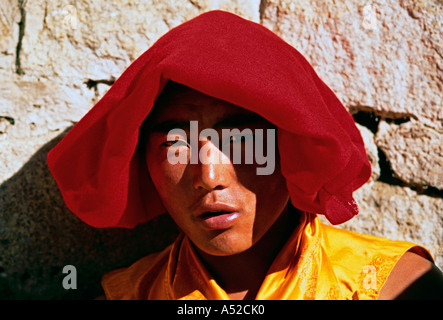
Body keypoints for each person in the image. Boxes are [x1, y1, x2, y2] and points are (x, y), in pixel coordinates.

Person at [47, 11, 443, 300]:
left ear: (291, 144)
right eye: (174, 143)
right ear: (142, 163)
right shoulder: (128, 297)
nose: (209, 176)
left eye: (241, 139)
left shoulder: (390, 287)